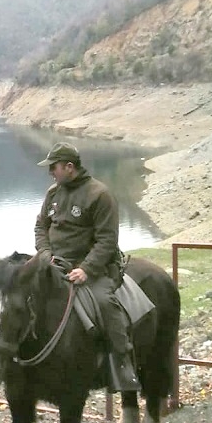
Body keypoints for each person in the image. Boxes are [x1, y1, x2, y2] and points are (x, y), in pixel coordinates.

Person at [34, 142, 139, 391]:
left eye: (54, 168)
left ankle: (123, 364)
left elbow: (107, 240)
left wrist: (87, 269)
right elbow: (41, 227)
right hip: (55, 263)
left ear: (69, 167)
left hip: (94, 268)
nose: (51, 172)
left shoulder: (99, 194)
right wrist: (46, 254)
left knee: (104, 302)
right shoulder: (53, 193)